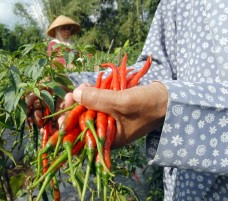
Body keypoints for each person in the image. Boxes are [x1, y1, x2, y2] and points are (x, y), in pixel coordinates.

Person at [29, 0, 228, 200]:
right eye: (64, 29)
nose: (67, 31)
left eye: (69, 29)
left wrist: (171, 105)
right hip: (184, 187)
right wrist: (71, 82)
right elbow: (156, 66)